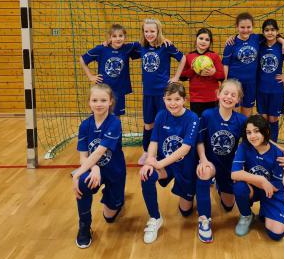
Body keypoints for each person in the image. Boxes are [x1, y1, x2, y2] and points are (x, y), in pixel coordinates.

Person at [139, 82, 199, 244]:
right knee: (146, 175)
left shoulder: (192, 118)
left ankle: (191, 192)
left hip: (185, 167)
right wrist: (150, 162)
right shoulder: (161, 115)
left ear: (184, 100)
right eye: (169, 99)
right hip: (166, 166)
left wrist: (159, 163)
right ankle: (155, 218)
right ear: (164, 99)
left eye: (177, 99)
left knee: (186, 211)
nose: (173, 103)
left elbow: (185, 148)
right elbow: (154, 141)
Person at [72, 84, 126, 248]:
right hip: (97, 169)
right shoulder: (85, 125)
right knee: (83, 183)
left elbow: (99, 152)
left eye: (103, 100)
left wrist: (76, 173)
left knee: (109, 217)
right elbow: (84, 156)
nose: (99, 104)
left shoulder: (114, 122)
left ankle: (113, 197)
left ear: (110, 102)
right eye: (94, 100)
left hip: (115, 171)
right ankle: (84, 226)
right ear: (89, 102)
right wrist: (93, 169)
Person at [195, 79, 246, 243]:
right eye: (226, 93)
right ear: (218, 94)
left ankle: (220, 186)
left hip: (229, 167)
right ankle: (204, 220)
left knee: (229, 206)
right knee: (204, 173)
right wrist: (203, 160)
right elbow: (200, 140)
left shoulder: (241, 120)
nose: (229, 97)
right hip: (211, 163)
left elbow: (257, 138)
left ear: (238, 100)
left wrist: (280, 150)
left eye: (233, 95)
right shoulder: (208, 115)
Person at [137, 18, 186, 165]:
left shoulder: (166, 46)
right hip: (148, 93)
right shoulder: (140, 47)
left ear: (158, 31)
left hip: (162, 94)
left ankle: (162, 152)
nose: (149, 34)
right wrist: (108, 43)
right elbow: (119, 46)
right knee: (148, 124)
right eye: (146, 31)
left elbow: (182, 58)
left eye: (152, 31)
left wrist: (176, 77)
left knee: (163, 122)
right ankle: (146, 151)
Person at [231, 115, 284, 241]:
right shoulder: (244, 147)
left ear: (266, 131)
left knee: (276, 234)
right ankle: (246, 215)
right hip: (255, 188)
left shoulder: (279, 154)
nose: (252, 136)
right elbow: (234, 174)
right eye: (249, 132)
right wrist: (261, 180)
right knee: (239, 186)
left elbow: (275, 186)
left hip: (271, 191)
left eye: (256, 131)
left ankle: (265, 211)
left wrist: (249, 178)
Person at [223, 12, 284, 117]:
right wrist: (224, 83)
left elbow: (272, 36)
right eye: (242, 27)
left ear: (253, 26)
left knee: (246, 115)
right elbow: (225, 65)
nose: (245, 30)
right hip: (234, 84)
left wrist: (283, 42)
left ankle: (244, 133)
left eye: (248, 27)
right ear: (237, 27)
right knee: (233, 114)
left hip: (251, 84)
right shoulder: (231, 43)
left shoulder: (256, 38)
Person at [80, 24, 139, 117]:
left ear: (125, 37)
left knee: (116, 117)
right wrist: (90, 76)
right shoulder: (101, 49)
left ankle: (115, 132)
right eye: (114, 36)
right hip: (103, 89)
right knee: (100, 114)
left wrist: (162, 39)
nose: (118, 39)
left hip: (119, 90)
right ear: (110, 37)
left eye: (121, 36)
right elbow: (82, 59)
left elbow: (144, 44)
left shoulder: (127, 49)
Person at [257, 19, 284, 142]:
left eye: (273, 30)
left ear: (277, 31)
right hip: (261, 89)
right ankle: (263, 144)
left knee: (273, 119)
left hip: (276, 90)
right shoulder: (259, 45)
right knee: (263, 120)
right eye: (267, 30)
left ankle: (273, 146)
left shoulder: (282, 47)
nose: (270, 33)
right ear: (263, 32)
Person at [180, 28, 225, 117]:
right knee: (199, 124)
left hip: (212, 98)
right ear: (196, 39)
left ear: (210, 43)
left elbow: (222, 77)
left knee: (211, 123)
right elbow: (182, 77)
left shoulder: (214, 56)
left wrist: (214, 72)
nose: (203, 41)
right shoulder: (189, 56)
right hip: (196, 99)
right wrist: (193, 69)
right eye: (201, 38)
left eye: (207, 40)